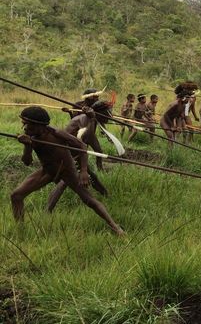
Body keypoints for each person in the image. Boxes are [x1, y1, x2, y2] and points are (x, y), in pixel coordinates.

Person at [10, 106, 124, 236]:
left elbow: (81, 146)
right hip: (47, 170)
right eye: (24, 124)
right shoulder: (30, 136)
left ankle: (116, 228)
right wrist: (27, 146)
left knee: (89, 200)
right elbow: (27, 162)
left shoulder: (56, 133)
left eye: (28, 124)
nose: (25, 127)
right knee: (16, 196)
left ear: (40, 125)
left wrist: (84, 171)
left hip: (67, 170)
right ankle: (21, 231)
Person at [47, 101, 114, 212]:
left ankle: (107, 196)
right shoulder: (86, 119)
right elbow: (86, 139)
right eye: (108, 113)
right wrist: (92, 119)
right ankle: (48, 210)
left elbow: (92, 141)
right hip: (66, 151)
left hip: (75, 151)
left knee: (91, 176)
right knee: (65, 181)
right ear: (100, 113)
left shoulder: (91, 119)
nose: (110, 116)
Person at [161, 83, 196, 148]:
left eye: (190, 97)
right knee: (171, 136)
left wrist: (179, 126)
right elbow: (166, 115)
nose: (189, 100)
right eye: (187, 98)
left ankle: (171, 153)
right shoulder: (175, 104)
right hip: (165, 121)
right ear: (183, 98)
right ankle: (169, 153)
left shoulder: (183, 105)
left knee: (173, 138)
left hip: (170, 121)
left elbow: (180, 117)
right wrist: (172, 126)